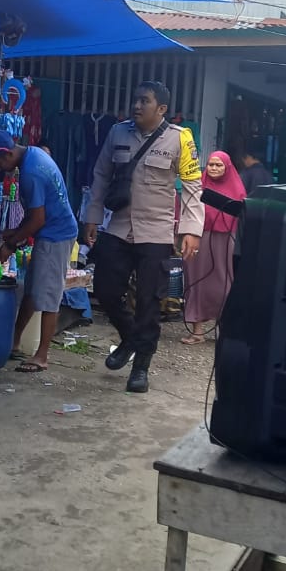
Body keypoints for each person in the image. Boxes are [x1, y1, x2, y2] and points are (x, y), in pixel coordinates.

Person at [84, 81, 204, 394]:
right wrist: (92, 216)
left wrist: (191, 230)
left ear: (161, 109)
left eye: (144, 101)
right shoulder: (117, 133)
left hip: (156, 232)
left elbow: (193, 185)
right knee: (105, 290)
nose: (137, 106)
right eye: (135, 100)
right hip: (119, 227)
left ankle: (141, 367)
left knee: (149, 302)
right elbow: (101, 175)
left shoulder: (180, 138)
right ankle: (130, 338)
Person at [0, 131, 78, 373]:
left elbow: (38, 219)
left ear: (8, 153)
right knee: (33, 291)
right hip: (49, 231)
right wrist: (16, 232)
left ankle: (42, 355)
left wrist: (11, 245)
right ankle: (14, 342)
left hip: (56, 235)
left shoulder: (31, 173)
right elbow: (35, 213)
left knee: (48, 296)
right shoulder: (33, 155)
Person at [182, 151, 245, 345]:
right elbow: (186, 209)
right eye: (211, 164)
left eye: (219, 165)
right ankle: (197, 331)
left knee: (224, 283)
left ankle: (224, 331)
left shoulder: (237, 188)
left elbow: (241, 215)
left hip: (224, 240)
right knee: (195, 282)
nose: (214, 168)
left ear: (227, 167)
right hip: (198, 238)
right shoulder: (198, 187)